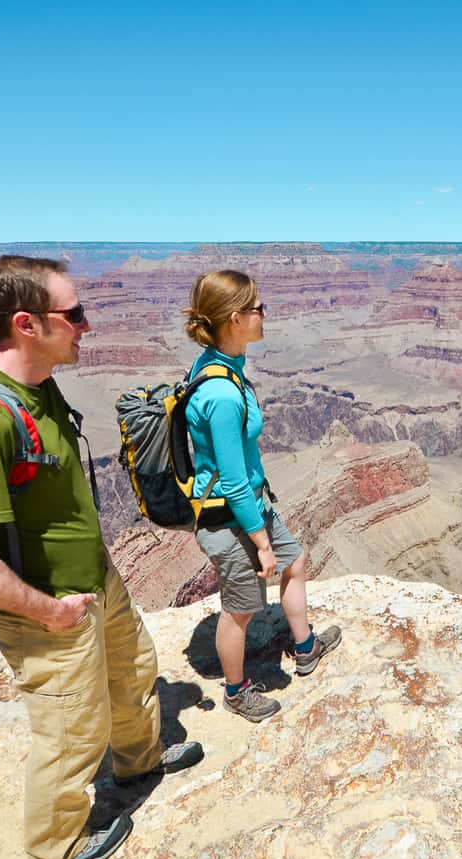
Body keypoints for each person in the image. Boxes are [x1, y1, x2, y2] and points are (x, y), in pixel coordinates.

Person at [0, 256, 204, 859]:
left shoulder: (41, 385)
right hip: (48, 604)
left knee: (134, 671)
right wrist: (49, 611)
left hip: (94, 577)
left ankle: (141, 761)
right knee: (72, 730)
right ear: (26, 324)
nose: (88, 325)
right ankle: (55, 848)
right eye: (74, 313)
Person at [183, 270, 341, 722]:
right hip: (229, 517)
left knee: (297, 562)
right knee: (240, 610)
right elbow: (232, 480)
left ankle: (305, 647)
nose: (264, 315)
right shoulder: (221, 394)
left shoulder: (223, 364)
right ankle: (236, 691)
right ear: (235, 319)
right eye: (258, 308)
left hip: (252, 507)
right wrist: (261, 543)